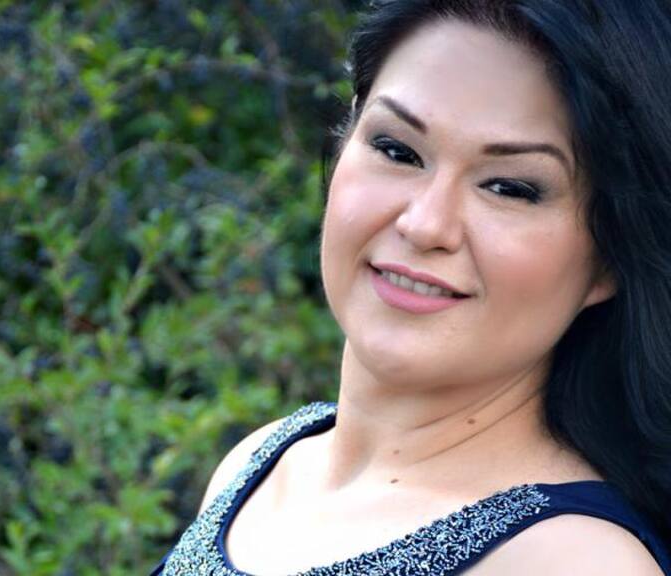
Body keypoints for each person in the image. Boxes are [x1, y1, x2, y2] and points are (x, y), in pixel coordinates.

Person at [151, 0, 671, 574]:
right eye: (397, 150)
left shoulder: (571, 561)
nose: (425, 225)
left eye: (510, 188)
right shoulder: (263, 463)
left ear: (609, 258)